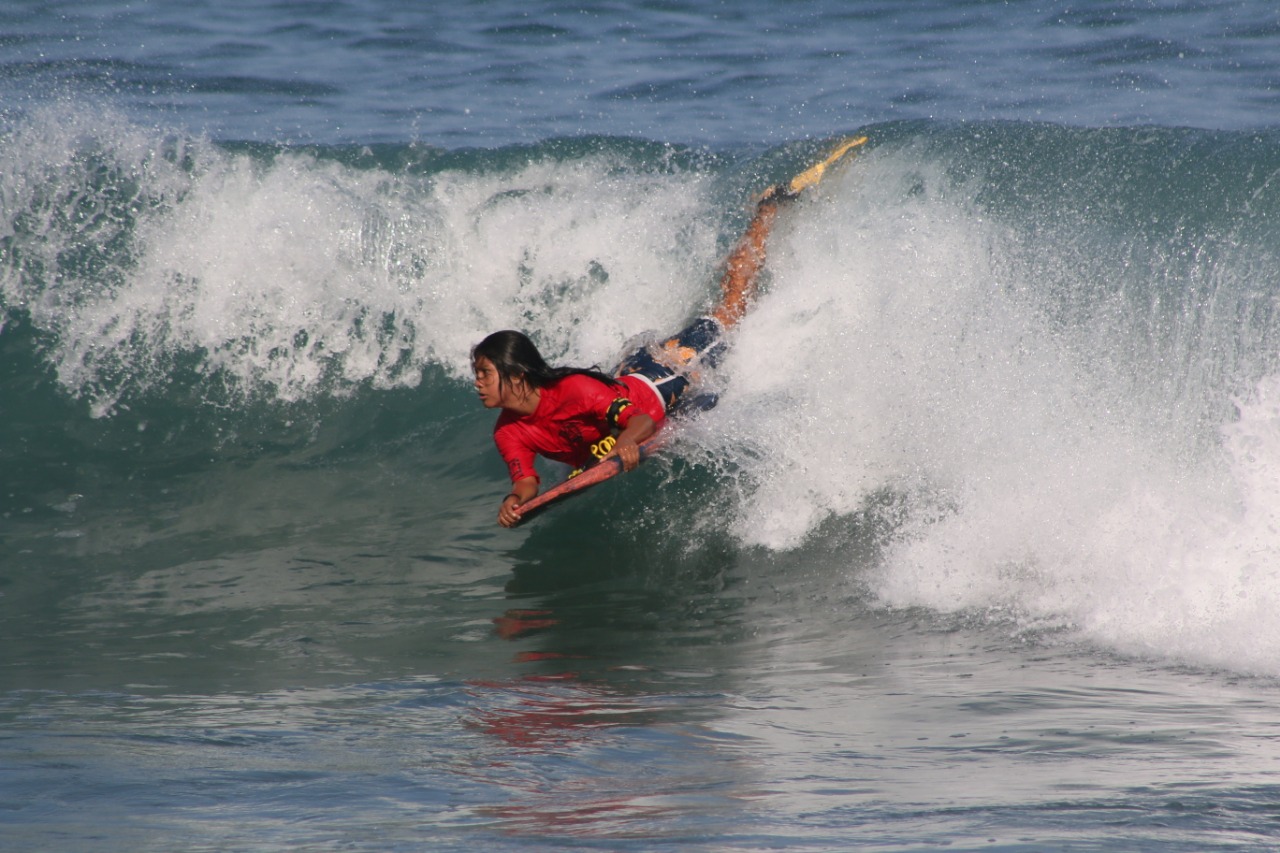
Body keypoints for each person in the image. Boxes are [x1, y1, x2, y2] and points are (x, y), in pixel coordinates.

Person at [473, 138, 865, 527]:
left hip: (664, 378)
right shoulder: (508, 430)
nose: (477, 382)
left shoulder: (573, 389)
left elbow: (641, 422)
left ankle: (767, 210)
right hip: (626, 390)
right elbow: (526, 480)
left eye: (485, 373)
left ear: (517, 374)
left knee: (731, 312)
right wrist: (513, 501)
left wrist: (625, 445)